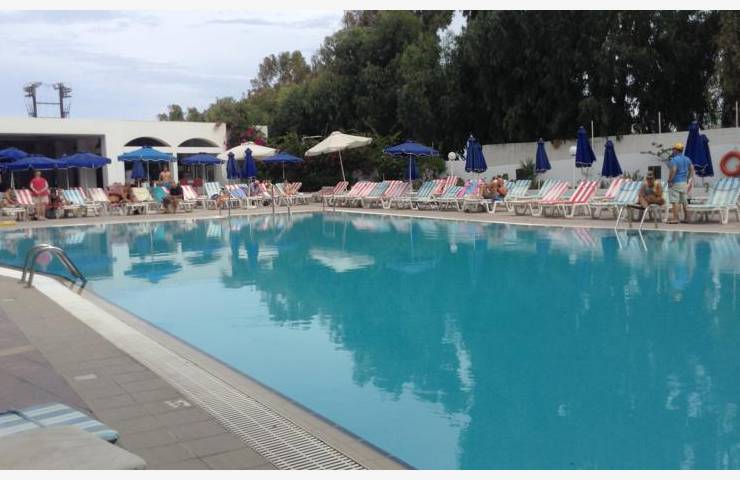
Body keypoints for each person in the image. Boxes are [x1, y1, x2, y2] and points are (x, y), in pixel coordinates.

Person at [667, 142, 694, 224]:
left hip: (676, 182)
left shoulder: (674, 160)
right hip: (684, 183)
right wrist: (688, 178)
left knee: (675, 201)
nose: (672, 150)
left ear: (676, 150)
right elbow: (692, 169)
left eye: (673, 149)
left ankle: (676, 218)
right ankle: (687, 218)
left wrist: (670, 180)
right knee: (684, 201)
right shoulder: (687, 159)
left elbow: (674, 170)